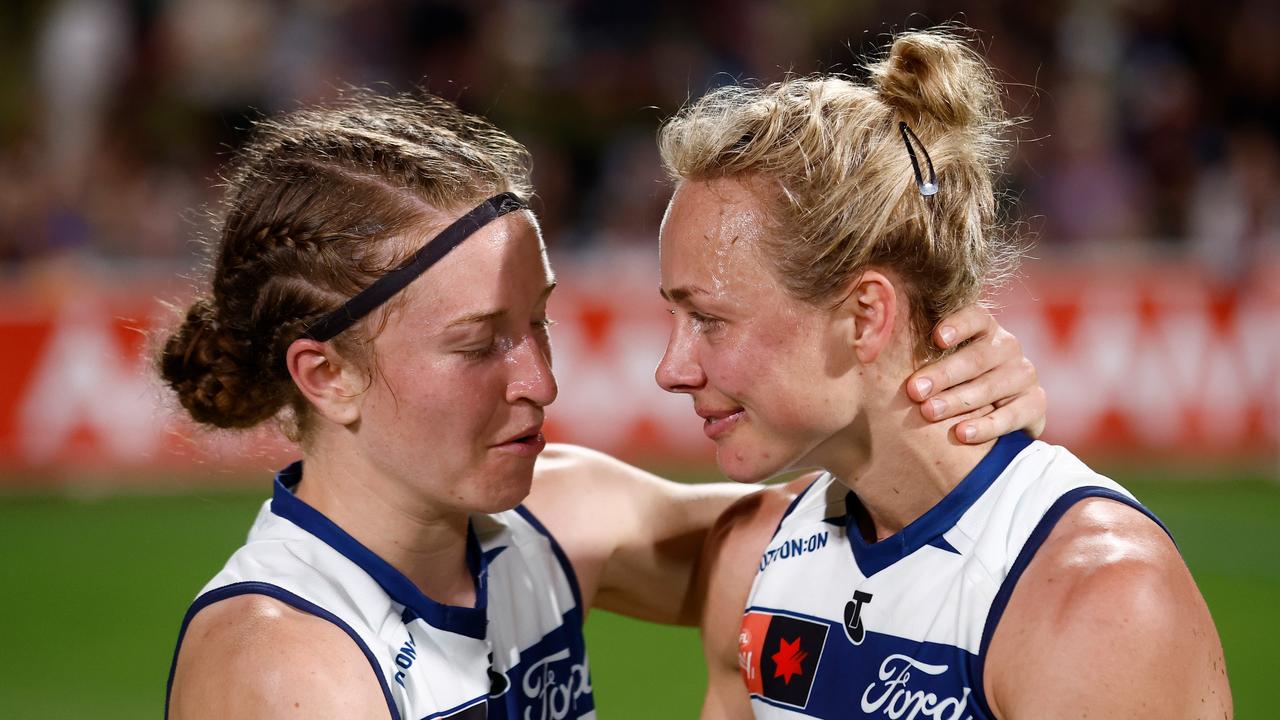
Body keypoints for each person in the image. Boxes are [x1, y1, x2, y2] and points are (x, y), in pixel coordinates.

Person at [160, 90, 1047, 719]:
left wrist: (945, 399)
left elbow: (840, 537)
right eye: (478, 345)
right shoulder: (281, 666)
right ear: (326, 376)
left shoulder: (555, 521)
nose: (540, 382)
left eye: (537, 324)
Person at [655, 30, 1231, 720]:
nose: (671, 369)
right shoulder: (755, 560)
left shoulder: (1097, 604)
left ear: (866, 316)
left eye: (709, 320)